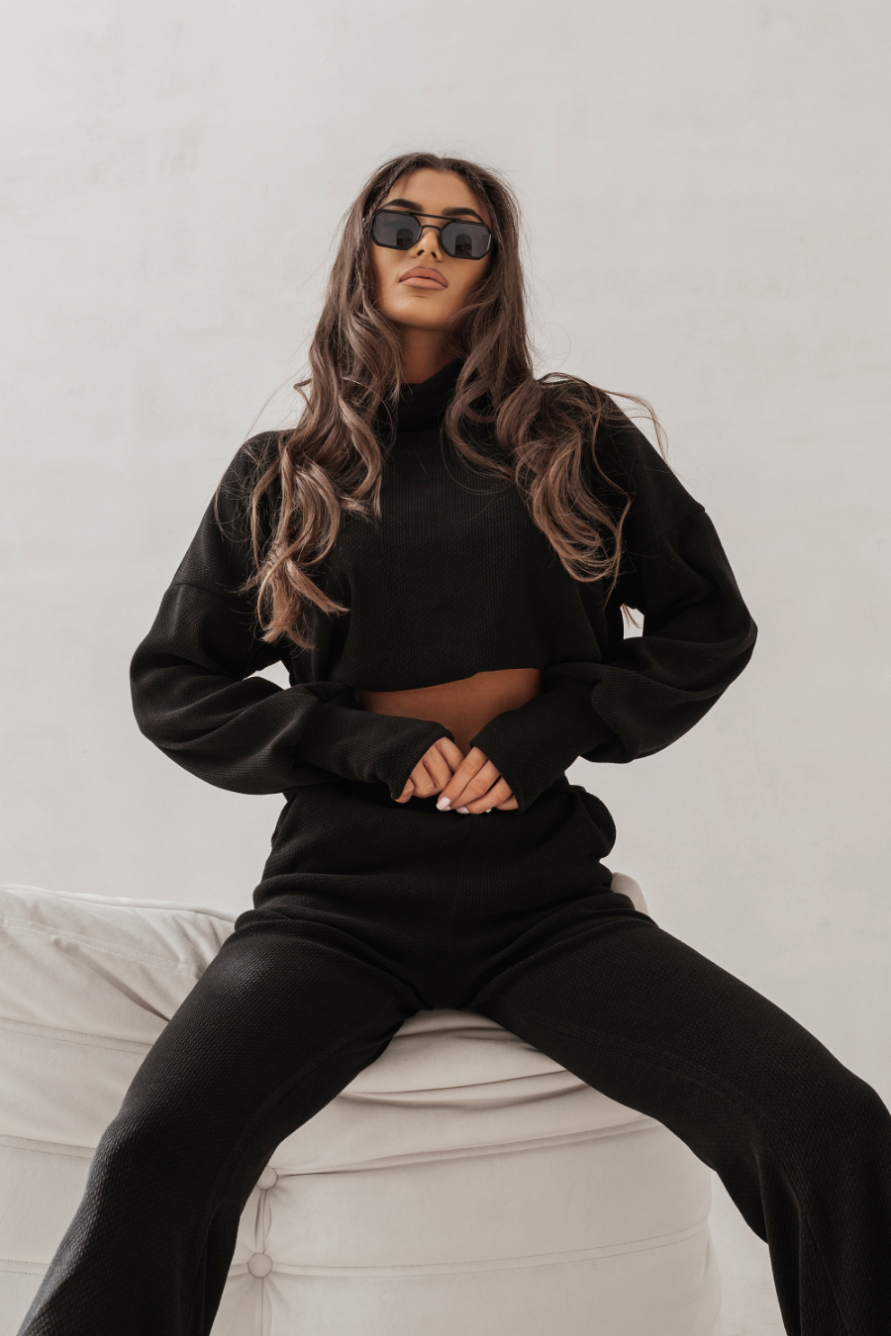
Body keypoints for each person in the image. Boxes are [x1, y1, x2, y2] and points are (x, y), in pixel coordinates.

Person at [17, 151, 891, 1336]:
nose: (429, 246)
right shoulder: (284, 474)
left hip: (540, 898)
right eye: (401, 223)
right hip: (339, 898)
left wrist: (555, 730)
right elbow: (175, 680)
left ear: (493, 270)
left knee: (830, 1125)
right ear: (362, 251)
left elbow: (707, 623)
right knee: (153, 1151)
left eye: (463, 233)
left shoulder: (570, 436)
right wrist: (355, 745)